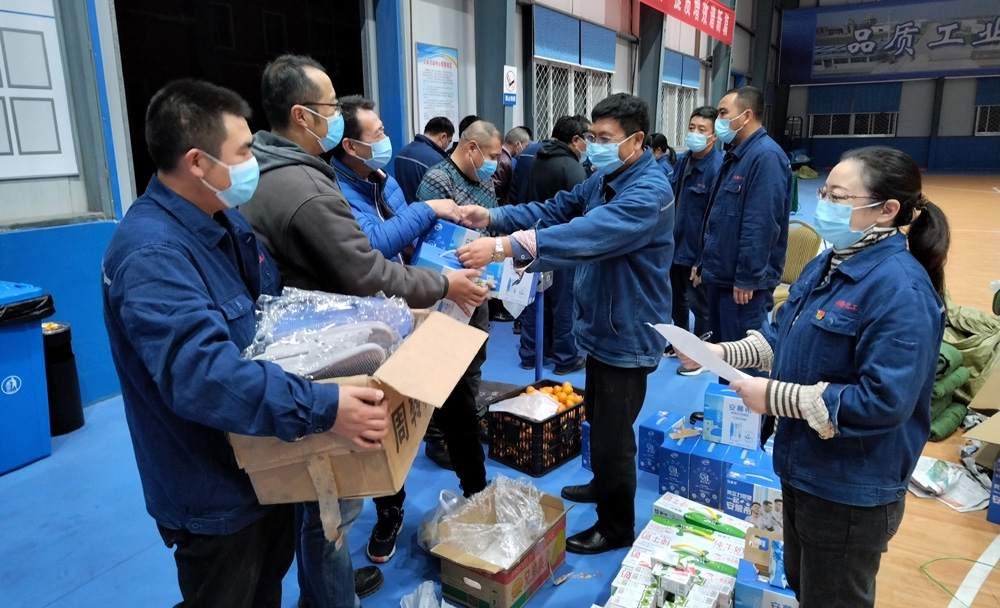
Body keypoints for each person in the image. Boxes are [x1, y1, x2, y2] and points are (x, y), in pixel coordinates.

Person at [101, 79, 390, 608]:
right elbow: (204, 377)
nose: (252, 163)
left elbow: (271, 315)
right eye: (242, 152)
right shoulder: (151, 256)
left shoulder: (224, 220)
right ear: (197, 162)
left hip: (263, 458)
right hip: (213, 490)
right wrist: (325, 407)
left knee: (266, 588)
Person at [239, 55, 482, 608]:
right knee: (333, 498)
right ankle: (331, 594)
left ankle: (327, 587)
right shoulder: (306, 186)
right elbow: (365, 267)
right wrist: (441, 282)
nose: (381, 139)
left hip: (342, 333)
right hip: (330, 350)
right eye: (331, 108)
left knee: (326, 493)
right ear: (303, 116)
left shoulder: (313, 174)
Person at [678, 146, 949, 607]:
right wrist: (718, 352)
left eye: (838, 198)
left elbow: (884, 400)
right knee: (805, 587)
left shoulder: (901, 290)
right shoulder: (827, 264)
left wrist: (776, 398)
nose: (824, 204)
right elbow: (780, 337)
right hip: (802, 467)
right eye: (824, 193)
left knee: (833, 598)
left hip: (848, 487)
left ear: (887, 210)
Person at [455, 93, 674, 555]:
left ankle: (616, 526)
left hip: (629, 330)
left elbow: (586, 233)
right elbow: (555, 209)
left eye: (606, 138)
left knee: (614, 437)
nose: (594, 146)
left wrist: (504, 248)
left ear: (636, 140)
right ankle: (602, 483)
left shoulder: (648, 193)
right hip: (602, 324)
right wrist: (495, 217)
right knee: (597, 416)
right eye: (592, 136)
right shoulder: (604, 178)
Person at [328, 95, 489, 566]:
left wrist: (454, 250)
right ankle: (390, 510)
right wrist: (429, 209)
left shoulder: (383, 179)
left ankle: (477, 493)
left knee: (458, 404)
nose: (386, 139)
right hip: (378, 322)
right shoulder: (335, 191)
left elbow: (410, 236)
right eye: (377, 133)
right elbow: (374, 246)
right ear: (349, 145)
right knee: (385, 420)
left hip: (427, 304)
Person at [416, 119, 502, 436]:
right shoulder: (438, 180)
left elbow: (492, 227)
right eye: (491, 156)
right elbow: (433, 239)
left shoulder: (485, 182)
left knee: (474, 354)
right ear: (471, 148)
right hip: (446, 286)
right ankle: (437, 433)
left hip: (480, 282)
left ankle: (468, 420)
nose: (494, 164)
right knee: (442, 359)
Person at [698, 86, 791, 372]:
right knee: (724, 360)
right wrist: (703, 263)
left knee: (742, 365)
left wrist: (748, 277)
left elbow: (761, 223)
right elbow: (718, 218)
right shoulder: (735, 156)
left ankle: (742, 404)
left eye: (723, 113)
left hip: (742, 286)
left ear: (746, 115)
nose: (718, 120)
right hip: (722, 276)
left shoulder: (766, 157)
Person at [517, 114, 591, 375]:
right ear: (575, 139)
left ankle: (530, 353)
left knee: (535, 298)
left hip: (534, 237)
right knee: (563, 302)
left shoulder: (537, 159)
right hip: (562, 242)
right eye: (589, 138)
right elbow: (581, 211)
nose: (591, 144)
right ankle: (565, 357)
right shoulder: (573, 168)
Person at [664, 107, 723, 375]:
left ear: (713, 136)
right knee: (676, 300)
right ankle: (680, 345)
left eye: (702, 129)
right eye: (692, 128)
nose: (695, 133)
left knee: (701, 305)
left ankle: (701, 355)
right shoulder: (683, 160)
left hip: (697, 251)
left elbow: (716, 219)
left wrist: (703, 259)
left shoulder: (717, 167)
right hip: (676, 246)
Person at [393, 116, 455, 204]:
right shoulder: (438, 161)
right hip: (424, 210)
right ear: (443, 137)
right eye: (449, 141)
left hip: (402, 209)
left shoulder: (401, 153)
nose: (447, 145)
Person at [492, 127, 531, 206]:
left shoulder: (499, 155)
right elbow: (498, 190)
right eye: (525, 146)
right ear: (517, 144)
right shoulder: (505, 161)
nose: (525, 149)